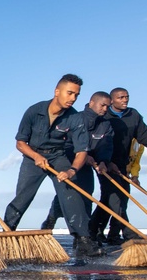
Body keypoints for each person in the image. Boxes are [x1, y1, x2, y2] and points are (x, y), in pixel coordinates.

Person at [3, 74, 103, 257]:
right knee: (23, 196)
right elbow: (20, 143)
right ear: (57, 92)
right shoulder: (34, 111)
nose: (73, 98)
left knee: (71, 192)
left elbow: (82, 151)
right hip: (32, 156)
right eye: (70, 93)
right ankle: (6, 232)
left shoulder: (75, 118)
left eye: (77, 95)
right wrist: (35, 156)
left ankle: (83, 240)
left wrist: (71, 170)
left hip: (58, 156)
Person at [91, 87, 147, 245]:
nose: (125, 100)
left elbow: (144, 133)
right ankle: (127, 233)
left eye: (126, 97)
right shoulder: (104, 115)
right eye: (121, 97)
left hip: (122, 164)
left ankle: (103, 233)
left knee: (118, 199)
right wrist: (103, 161)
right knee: (114, 198)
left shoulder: (133, 115)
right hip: (104, 162)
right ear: (112, 100)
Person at [41, 91, 114, 231]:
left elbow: (106, 145)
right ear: (92, 103)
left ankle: (84, 236)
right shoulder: (76, 118)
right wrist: (82, 155)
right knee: (68, 194)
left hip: (88, 165)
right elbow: (64, 142)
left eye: (108, 106)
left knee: (87, 195)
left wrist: (104, 161)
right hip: (70, 161)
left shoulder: (106, 125)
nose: (105, 109)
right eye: (102, 105)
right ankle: (51, 219)